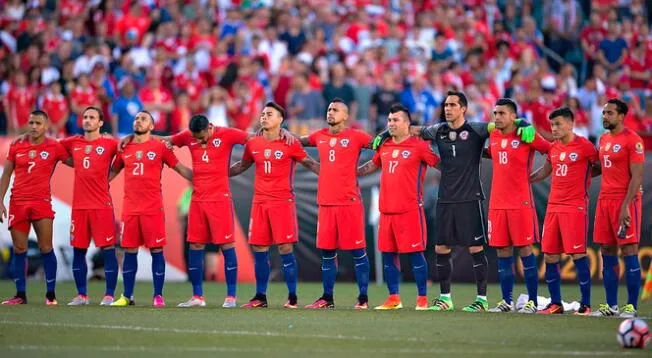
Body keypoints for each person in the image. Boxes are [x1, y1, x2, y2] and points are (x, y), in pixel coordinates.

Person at [373, 91, 535, 312]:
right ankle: (445, 298)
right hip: (446, 198)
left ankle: (482, 300)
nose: (447, 108)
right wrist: (385, 133)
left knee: (476, 247)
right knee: (441, 248)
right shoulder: (439, 130)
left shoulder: (477, 129)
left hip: (470, 197)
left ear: (463, 109)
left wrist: (522, 121)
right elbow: (413, 129)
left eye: (452, 105)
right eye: (446, 104)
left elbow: (500, 123)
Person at [229, 102, 320, 308]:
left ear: (280, 119)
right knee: (259, 247)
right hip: (260, 202)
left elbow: (310, 163)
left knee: (285, 247)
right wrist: (220, 172)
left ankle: (292, 297)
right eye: (263, 114)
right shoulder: (253, 143)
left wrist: (333, 176)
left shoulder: (290, 143)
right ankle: (260, 297)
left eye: (269, 114)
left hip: (282, 202)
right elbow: (242, 165)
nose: (264, 117)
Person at [357, 104, 439, 310]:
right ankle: (394, 298)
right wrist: (350, 174)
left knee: (415, 254)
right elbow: (372, 165)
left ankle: (422, 299)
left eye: (396, 120)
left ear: (407, 124)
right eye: (390, 120)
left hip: (410, 210)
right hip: (386, 211)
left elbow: (440, 165)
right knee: (388, 255)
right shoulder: (384, 146)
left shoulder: (419, 146)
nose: (391, 124)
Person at [108, 111, 193, 307]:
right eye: (137, 118)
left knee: (156, 249)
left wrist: (204, 179)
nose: (138, 121)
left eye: (144, 119)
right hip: (130, 208)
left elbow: (180, 168)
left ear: (152, 126)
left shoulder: (160, 147)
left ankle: (158, 296)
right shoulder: (124, 147)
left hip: (152, 208)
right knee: (129, 250)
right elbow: (114, 170)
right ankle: (127, 296)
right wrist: (99, 185)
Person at [296, 98, 372, 309]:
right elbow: (298, 141)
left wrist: (362, 170)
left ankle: (363, 298)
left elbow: (379, 147)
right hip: (326, 202)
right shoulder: (318, 135)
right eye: (329, 109)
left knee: (358, 250)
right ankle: (327, 298)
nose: (331, 112)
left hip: (349, 202)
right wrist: (283, 134)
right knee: (327, 252)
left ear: (346, 116)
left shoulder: (356, 136)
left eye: (336, 110)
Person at [168, 114, 249, 308]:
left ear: (210, 128)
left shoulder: (227, 134)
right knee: (195, 246)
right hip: (197, 201)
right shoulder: (189, 136)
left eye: (202, 137)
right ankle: (197, 297)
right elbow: (167, 140)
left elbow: (252, 137)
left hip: (219, 200)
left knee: (227, 245)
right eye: (195, 138)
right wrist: (132, 138)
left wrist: (279, 133)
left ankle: (231, 297)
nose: (199, 141)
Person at [530, 107, 598, 315]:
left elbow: (601, 166)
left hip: (574, 207)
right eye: (552, 125)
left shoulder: (585, 147)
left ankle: (585, 304)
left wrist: (584, 179)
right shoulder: (553, 148)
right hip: (553, 208)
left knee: (577, 254)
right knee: (550, 255)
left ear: (570, 124)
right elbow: (545, 170)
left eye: (558, 124)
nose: (554, 128)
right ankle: (556, 304)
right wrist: (525, 180)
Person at [485, 98, 550, 314]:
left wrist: (539, 175)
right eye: (495, 113)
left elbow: (551, 151)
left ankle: (531, 301)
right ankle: (506, 301)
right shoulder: (493, 135)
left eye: (502, 113)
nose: (497, 117)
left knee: (525, 249)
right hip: (497, 203)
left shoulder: (526, 134)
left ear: (514, 116)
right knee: (503, 251)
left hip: (520, 202)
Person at [1, 110, 70, 305]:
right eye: (31, 122)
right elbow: (6, 174)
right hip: (18, 202)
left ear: (46, 126)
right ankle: (20, 295)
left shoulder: (54, 146)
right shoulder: (17, 145)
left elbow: (73, 161)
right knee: (19, 248)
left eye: (38, 123)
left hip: (41, 201)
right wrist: (0, 201)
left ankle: (51, 295)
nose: (33, 126)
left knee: (46, 247)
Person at [589, 98, 645, 318]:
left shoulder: (633, 140)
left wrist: (626, 206)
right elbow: (601, 168)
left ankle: (630, 306)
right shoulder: (602, 139)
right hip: (604, 200)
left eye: (610, 113)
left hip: (625, 201)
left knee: (629, 250)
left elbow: (637, 176)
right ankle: (611, 306)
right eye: (604, 112)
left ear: (621, 116)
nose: (605, 116)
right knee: (606, 251)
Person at [60, 107, 120, 306]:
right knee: (79, 250)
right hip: (79, 206)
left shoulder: (110, 143)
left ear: (101, 123)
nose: (87, 120)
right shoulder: (73, 142)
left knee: (108, 249)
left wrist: (108, 177)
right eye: (85, 117)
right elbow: (53, 149)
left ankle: (109, 295)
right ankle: (82, 295)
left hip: (101, 205)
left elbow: (124, 156)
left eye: (92, 117)